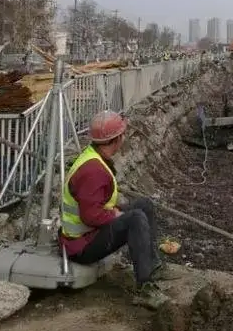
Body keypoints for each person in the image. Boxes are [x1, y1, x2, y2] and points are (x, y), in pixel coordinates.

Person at [60, 110, 164, 308]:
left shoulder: (94, 157)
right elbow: (90, 215)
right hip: (82, 246)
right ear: (116, 139)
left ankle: (153, 265)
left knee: (144, 205)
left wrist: (114, 213)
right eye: (122, 134)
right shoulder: (93, 170)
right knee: (135, 219)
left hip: (89, 234)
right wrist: (115, 214)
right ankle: (145, 287)